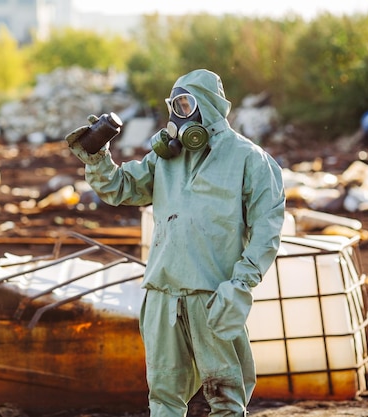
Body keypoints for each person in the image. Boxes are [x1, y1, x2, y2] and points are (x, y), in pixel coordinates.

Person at [65, 69, 285, 417]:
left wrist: (242, 283)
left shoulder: (249, 159)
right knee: (164, 397)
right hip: (162, 295)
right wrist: (97, 155)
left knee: (226, 397)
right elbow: (121, 188)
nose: (179, 116)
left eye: (186, 104)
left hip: (213, 295)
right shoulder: (167, 158)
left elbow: (266, 229)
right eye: (175, 106)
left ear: (210, 106)